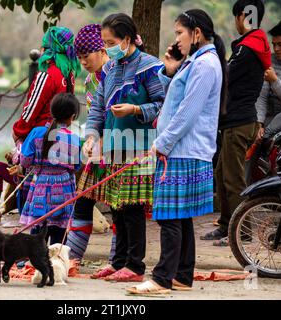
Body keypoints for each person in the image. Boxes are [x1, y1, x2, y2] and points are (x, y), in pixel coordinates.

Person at [127, 9, 226, 294]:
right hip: (182, 149)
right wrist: (170, 71)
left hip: (184, 150)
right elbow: (178, 99)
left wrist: (162, 143)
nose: (177, 40)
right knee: (180, 215)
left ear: (196, 33)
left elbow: (188, 112)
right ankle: (182, 275)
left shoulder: (206, 65)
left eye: (179, 33)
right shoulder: (195, 63)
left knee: (169, 215)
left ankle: (161, 278)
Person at [84, 13, 165, 282]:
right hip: (113, 147)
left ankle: (135, 266)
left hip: (138, 149)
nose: (106, 48)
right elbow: (97, 106)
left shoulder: (150, 68)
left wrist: (135, 109)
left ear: (127, 39)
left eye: (110, 42)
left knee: (132, 209)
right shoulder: (109, 69)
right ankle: (118, 262)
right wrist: (92, 136)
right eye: (104, 43)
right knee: (115, 207)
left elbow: (162, 105)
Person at [202, 0, 271, 245]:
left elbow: (223, 77)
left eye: (236, 17)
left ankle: (242, 232)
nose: (236, 22)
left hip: (239, 122)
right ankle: (225, 225)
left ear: (243, 16)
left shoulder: (246, 49)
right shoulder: (253, 46)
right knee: (222, 175)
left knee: (233, 180)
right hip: (237, 120)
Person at [11, 26, 81, 214]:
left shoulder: (47, 73)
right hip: (62, 137)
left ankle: (32, 225)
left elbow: (32, 108)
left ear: (48, 48)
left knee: (34, 188)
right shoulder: (69, 73)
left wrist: (18, 132)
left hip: (41, 137)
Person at [65, 24, 116, 263]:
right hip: (96, 149)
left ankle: (119, 261)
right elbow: (94, 114)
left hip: (119, 148)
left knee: (119, 206)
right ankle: (71, 258)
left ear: (102, 50)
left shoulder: (116, 73)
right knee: (83, 201)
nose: (83, 62)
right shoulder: (89, 80)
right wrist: (91, 139)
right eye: (80, 58)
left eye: (87, 57)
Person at [11, 93, 81, 245]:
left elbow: (25, 160)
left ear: (52, 111)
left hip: (41, 188)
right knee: (59, 237)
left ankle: (34, 263)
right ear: (73, 116)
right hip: (64, 191)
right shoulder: (74, 139)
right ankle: (57, 265)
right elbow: (76, 166)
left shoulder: (37, 133)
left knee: (37, 235)